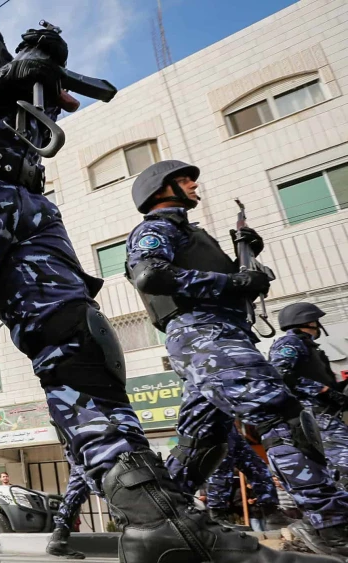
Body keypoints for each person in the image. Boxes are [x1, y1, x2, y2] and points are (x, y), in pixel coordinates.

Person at [0, 3, 331, 563]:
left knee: (80, 353)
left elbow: (34, 117)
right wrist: (1, 76)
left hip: (28, 199)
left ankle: (156, 520)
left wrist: (40, 74)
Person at [127, 158, 348, 559]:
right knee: (281, 414)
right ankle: (332, 526)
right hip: (203, 336)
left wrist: (247, 262)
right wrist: (233, 281)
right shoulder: (157, 228)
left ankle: (155, 525)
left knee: (201, 444)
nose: (195, 186)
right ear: (161, 189)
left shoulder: (191, 234)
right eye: (184, 180)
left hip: (218, 338)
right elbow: (150, 275)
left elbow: (225, 284)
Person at [269, 303, 348, 489]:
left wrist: (338, 390)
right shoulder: (290, 342)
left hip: (325, 414)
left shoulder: (307, 346)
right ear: (310, 321)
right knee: (343, 464)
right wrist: (322, 391)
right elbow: (280, 372)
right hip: (315, 415)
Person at [205, 424, 295, 530]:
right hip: (212, 428)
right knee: (222, 467)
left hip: (230, 429)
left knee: (258, 467)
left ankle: (271, 511)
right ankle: (217, 515)